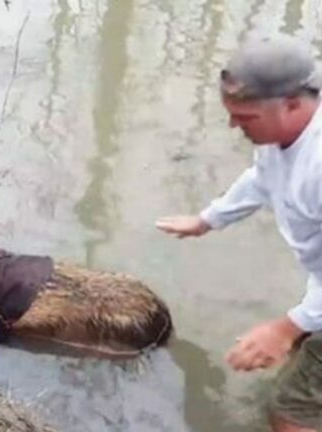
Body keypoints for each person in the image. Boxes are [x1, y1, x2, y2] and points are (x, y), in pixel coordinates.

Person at [156, 32, 322, 432]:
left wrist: (286, 328)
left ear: (293, 103)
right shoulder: (282, 138)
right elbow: (261, 179)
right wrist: (207, 220)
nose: (233, 125)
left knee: (290, 412)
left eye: (245, 117)